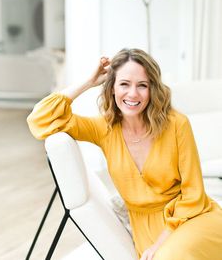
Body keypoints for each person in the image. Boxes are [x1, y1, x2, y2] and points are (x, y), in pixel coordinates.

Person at [27, 48, 222, 260]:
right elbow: (39, 119)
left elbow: (194, 193)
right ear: (111, 88)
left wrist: (162, 241)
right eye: (124, 84)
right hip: (145, 230)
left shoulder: (177, 124)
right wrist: (88, 82)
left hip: (190, 219)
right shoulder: (103, 129)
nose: (133, 94)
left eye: (142, 85)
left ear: (152, 89)